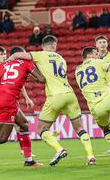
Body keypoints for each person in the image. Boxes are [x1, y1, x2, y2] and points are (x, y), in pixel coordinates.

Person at [6, 35, 97, 166]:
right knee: (80, 128)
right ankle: (91, 157)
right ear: (54, 46)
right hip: (70, 95)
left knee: (41, 129)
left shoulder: (41, 55)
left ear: (44, 46)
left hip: (55, 96)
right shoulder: (61, 59)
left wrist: (6, 65)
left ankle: (59, 149)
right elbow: (47, 76)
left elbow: (17, 55)